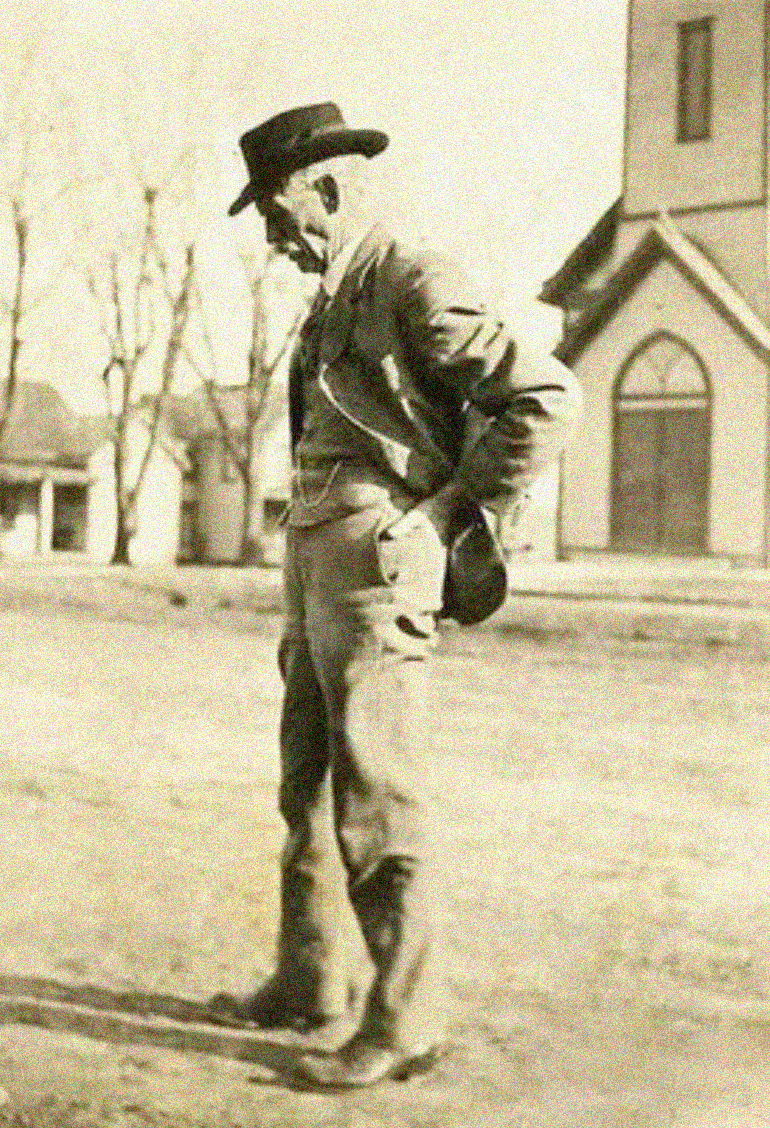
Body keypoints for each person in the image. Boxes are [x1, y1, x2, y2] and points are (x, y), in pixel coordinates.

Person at [213, 102, 581, 1088]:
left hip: (376, 568)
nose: (276, 240)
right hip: (315, 560)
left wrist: (446, 513)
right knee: (309, 782)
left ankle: (407, 1019)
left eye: (281, 218)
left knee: (378, 797)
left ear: (325, 194)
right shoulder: (335, 296)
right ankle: (309, 977)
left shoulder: (411, 277)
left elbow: (545, 399)